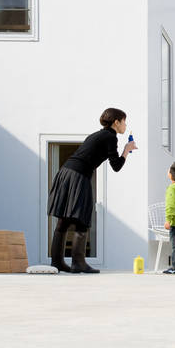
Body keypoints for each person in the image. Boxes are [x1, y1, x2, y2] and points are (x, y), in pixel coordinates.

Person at [48, 107, 136, 274]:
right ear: (116, 122)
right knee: (82, 217)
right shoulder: (110, 137)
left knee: (64, 219)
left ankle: (57, 262)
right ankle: (78, 262)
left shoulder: (97, 134)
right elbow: (116, 165)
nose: (125, 125)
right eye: (124, 121)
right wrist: (126, 150)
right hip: (78, 175)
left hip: (66, 172)